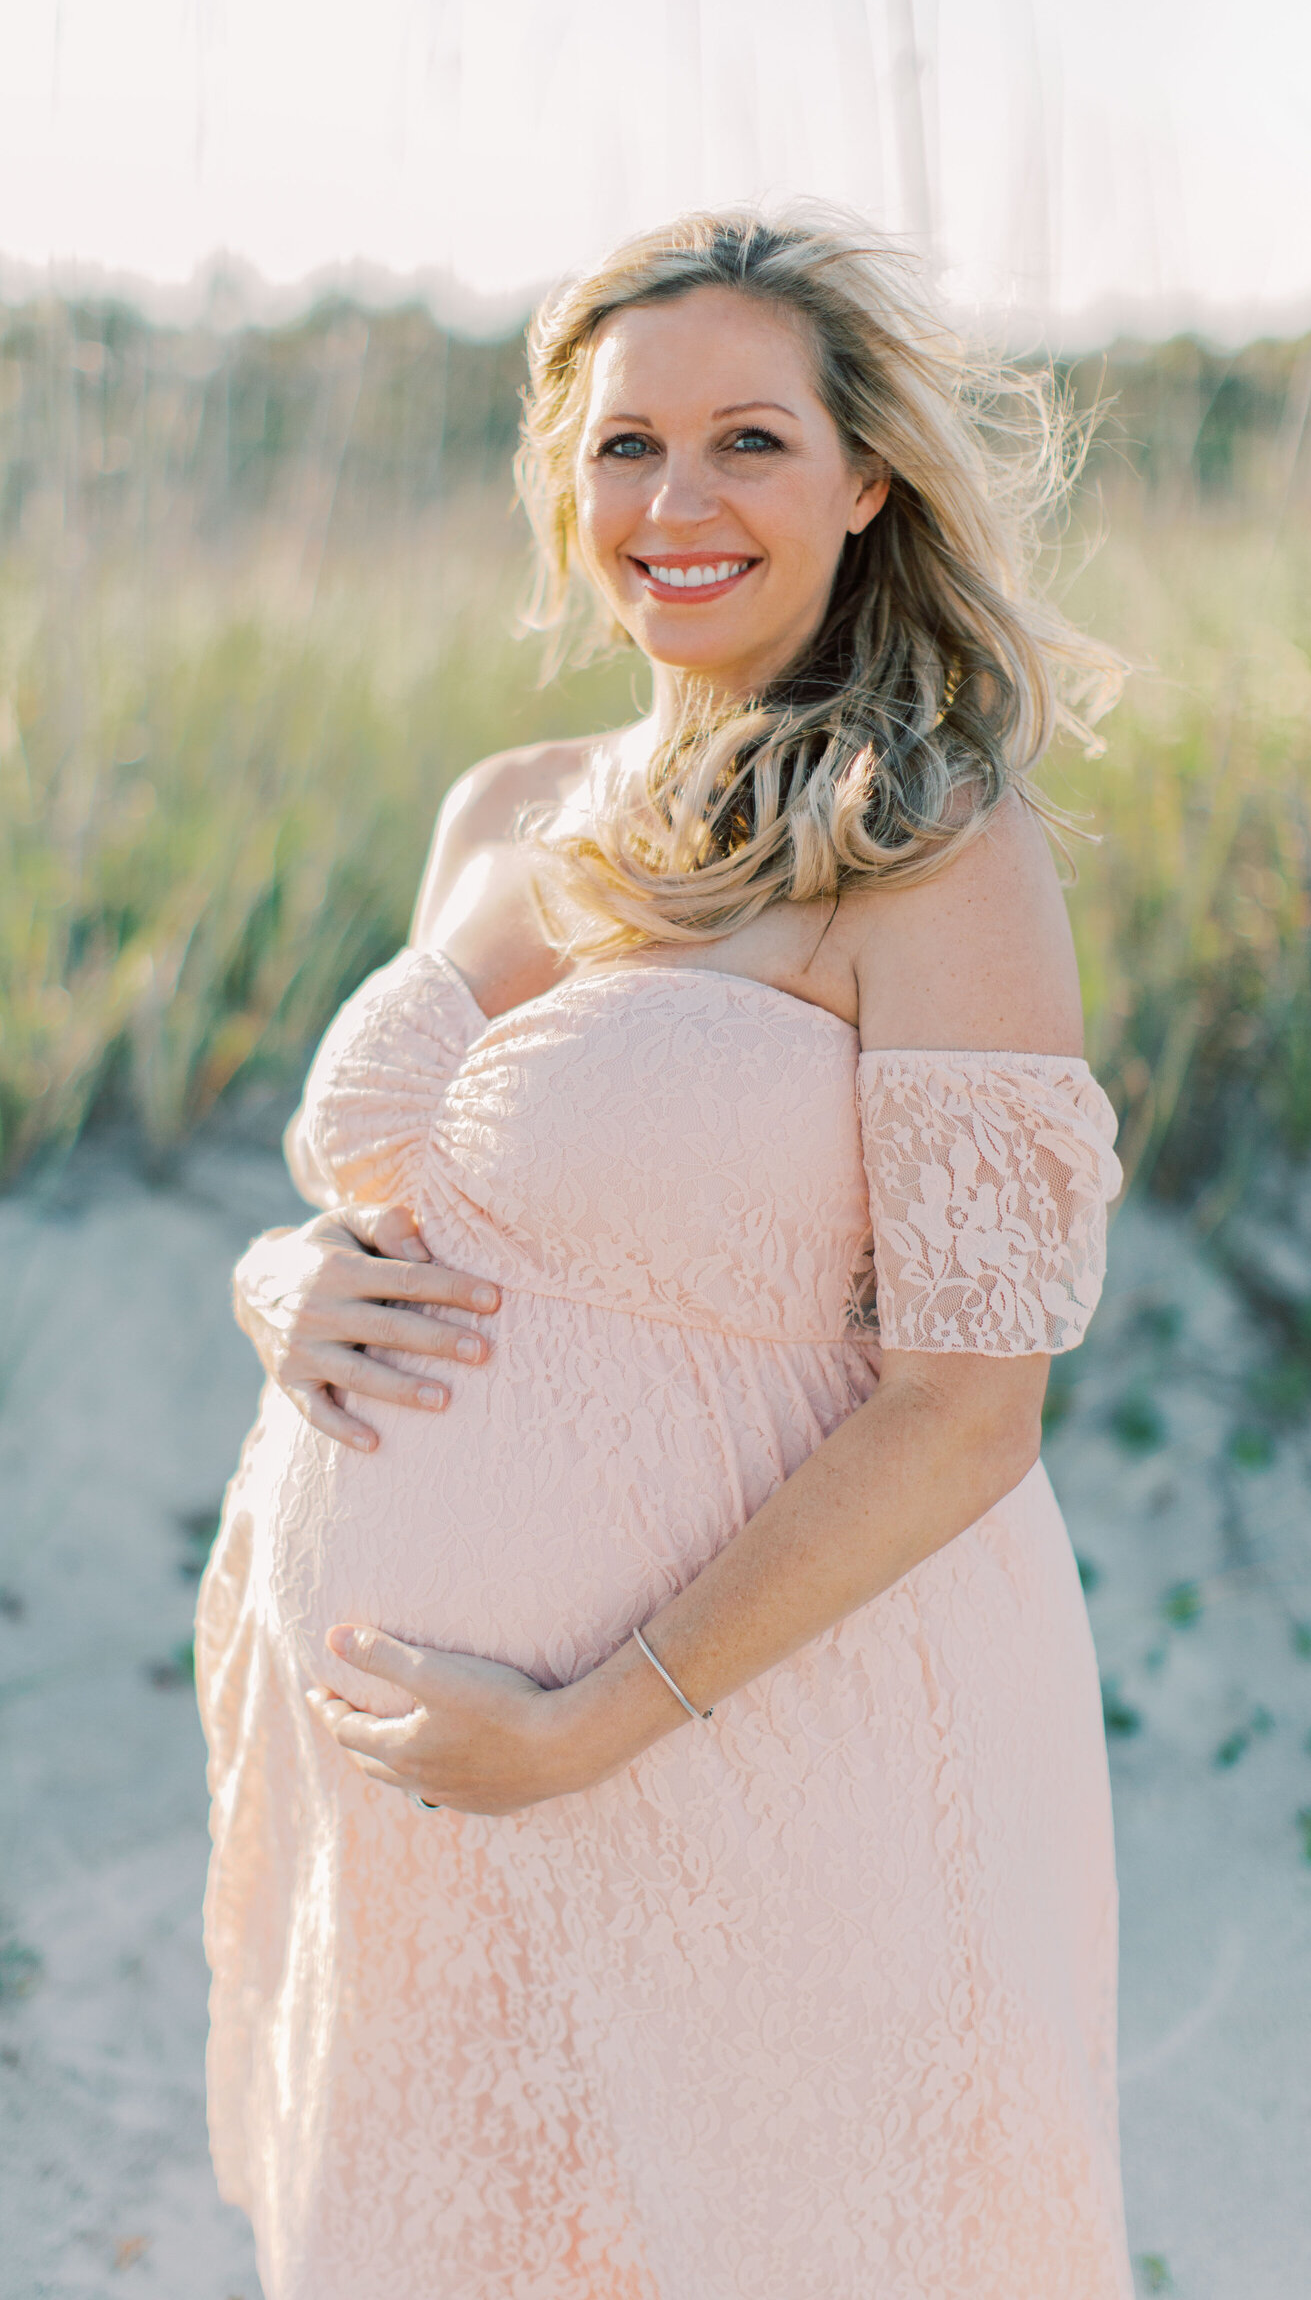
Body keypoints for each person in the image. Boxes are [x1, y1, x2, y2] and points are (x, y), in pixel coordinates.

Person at [197, 206, 1131, 2300]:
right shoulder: (498, 805)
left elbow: (969, 1410)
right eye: (624, 446)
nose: (675, 502)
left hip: (739, 1742)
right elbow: (423, 1188)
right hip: (419, 1783)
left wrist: (585, 1723)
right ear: (562, 478)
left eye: (746, 442)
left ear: (860, 483)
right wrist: (279, 1279)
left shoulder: (929, 847)